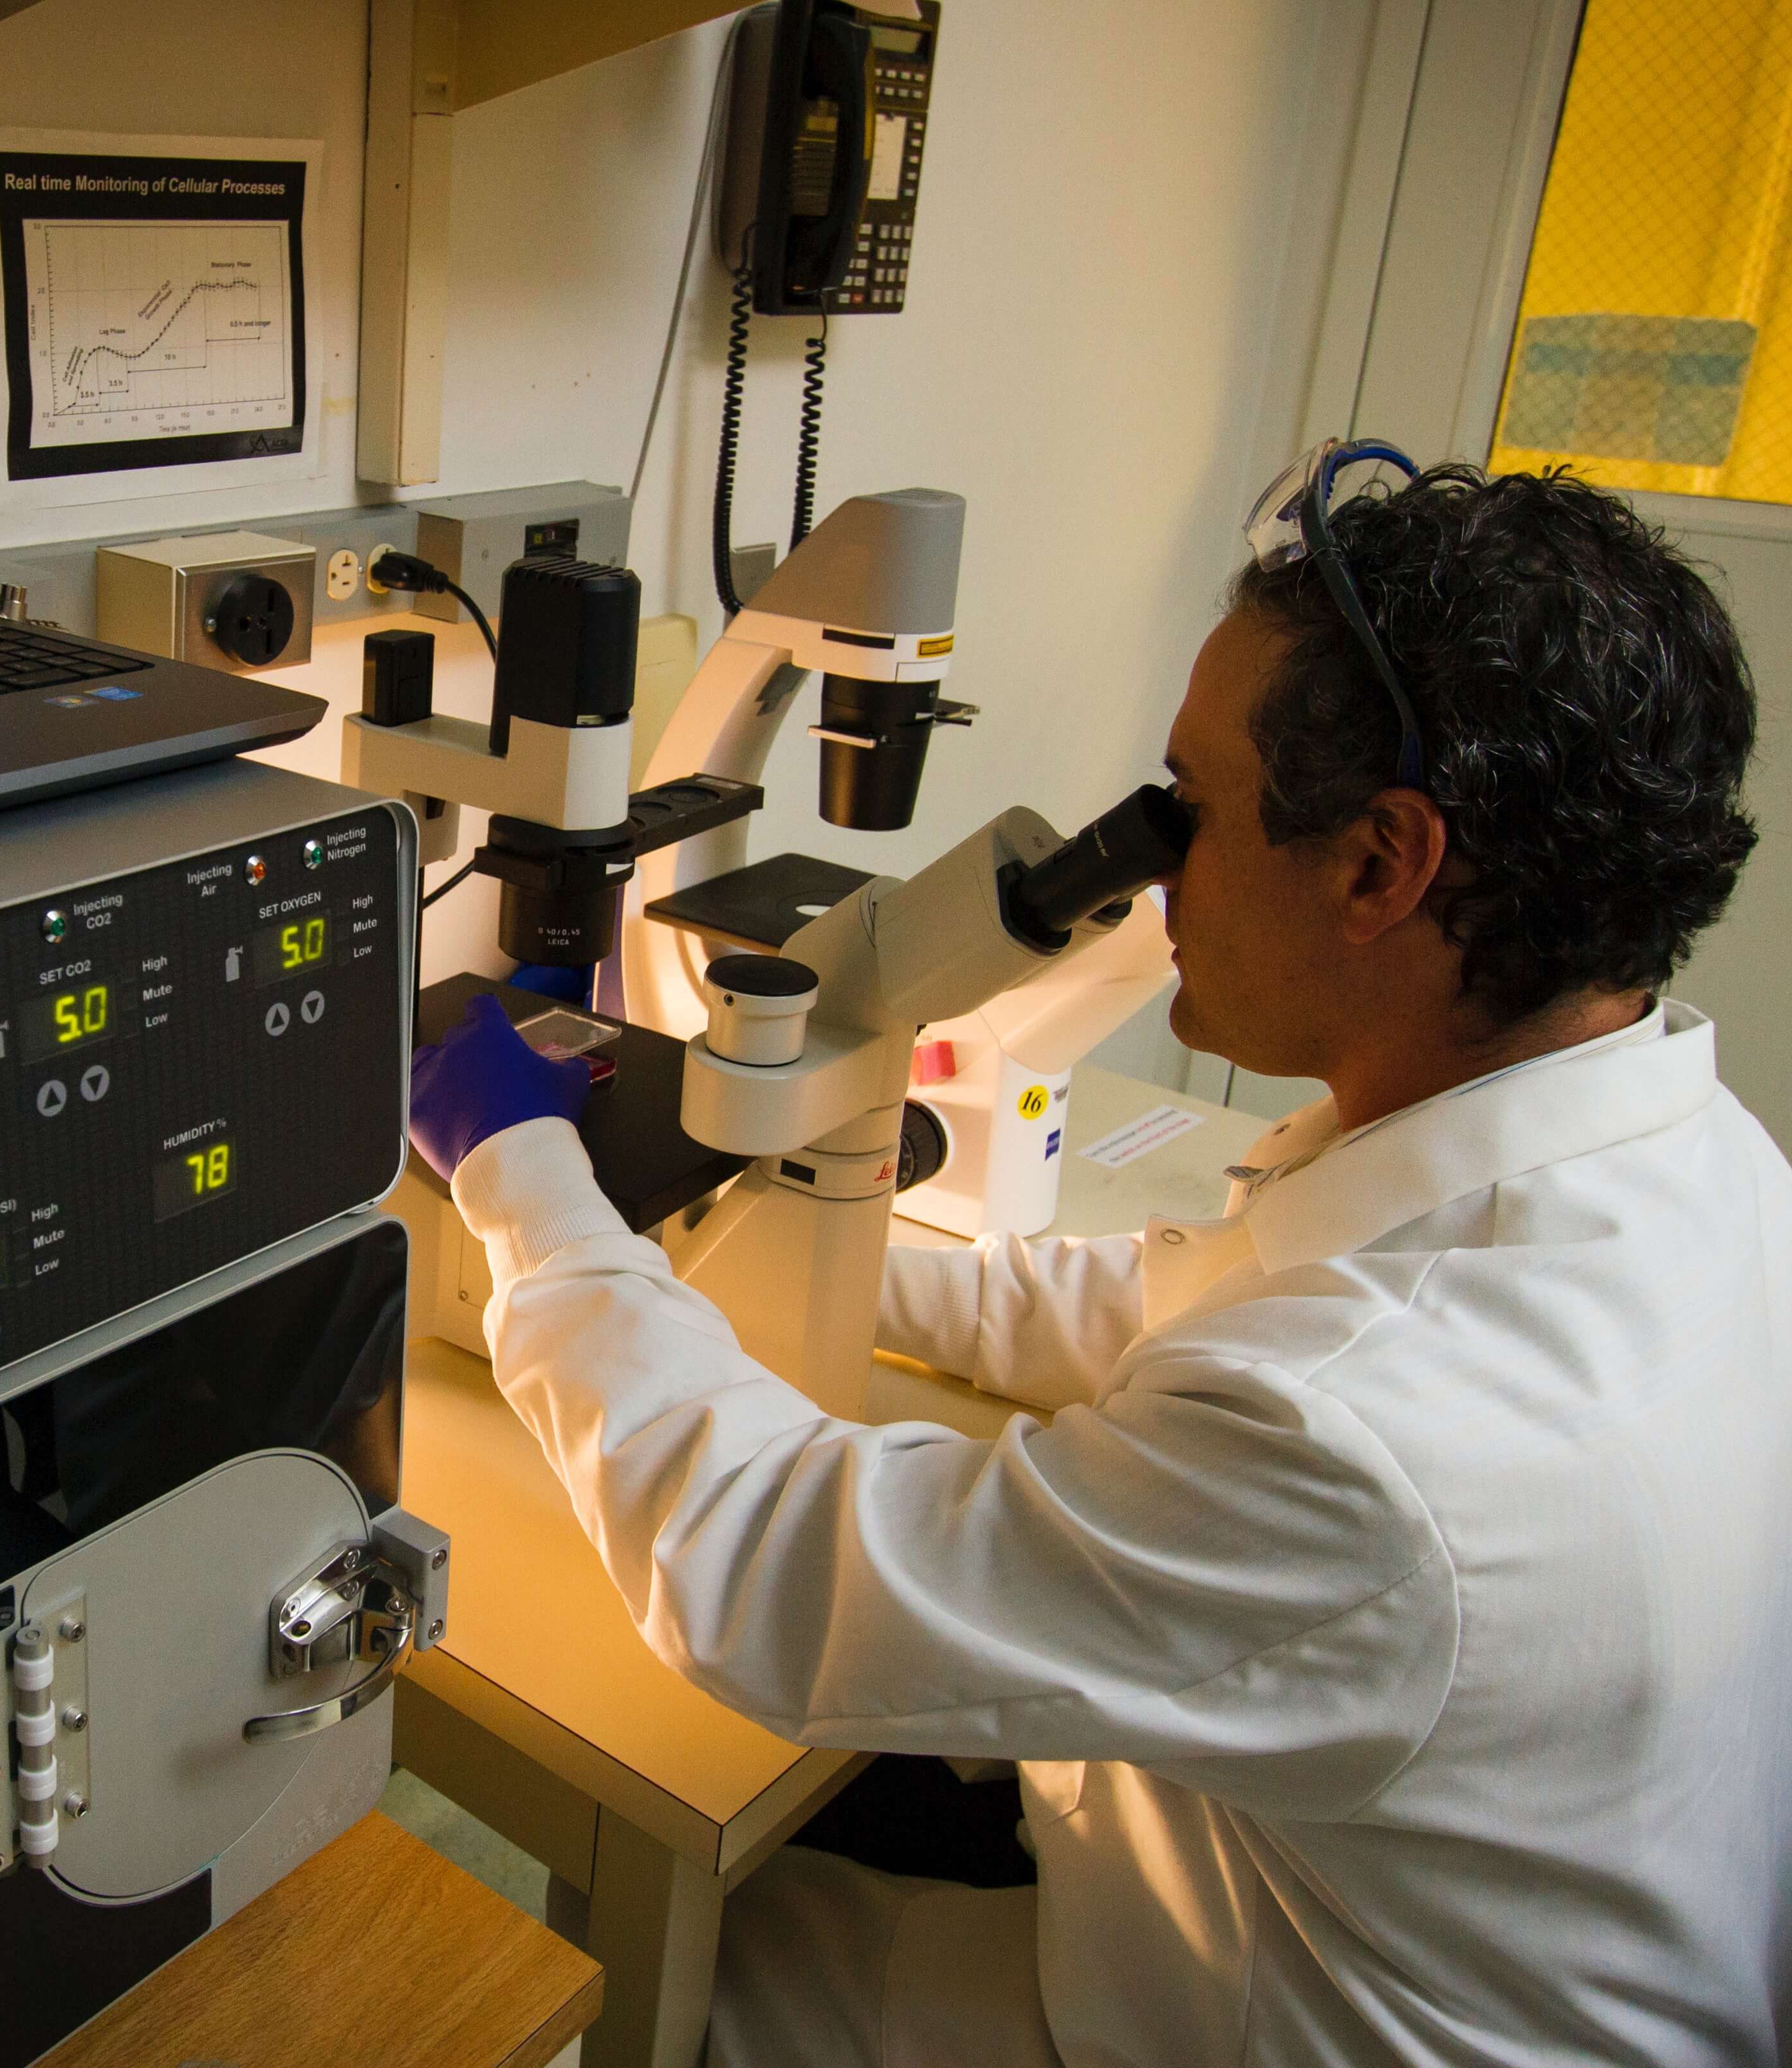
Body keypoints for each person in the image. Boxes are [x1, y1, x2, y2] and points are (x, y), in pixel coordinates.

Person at [407, 462, 1782, 2067]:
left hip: (1294, 2025)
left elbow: (767, 1575)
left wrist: (522, 1182)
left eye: (1184, 808)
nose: (1146, 862)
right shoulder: (1671, 1153)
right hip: (1425, 1928)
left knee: (668, 1972)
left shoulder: (1368, 1437)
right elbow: (1168, 1304)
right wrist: (770, 1257)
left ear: (1379, 866)